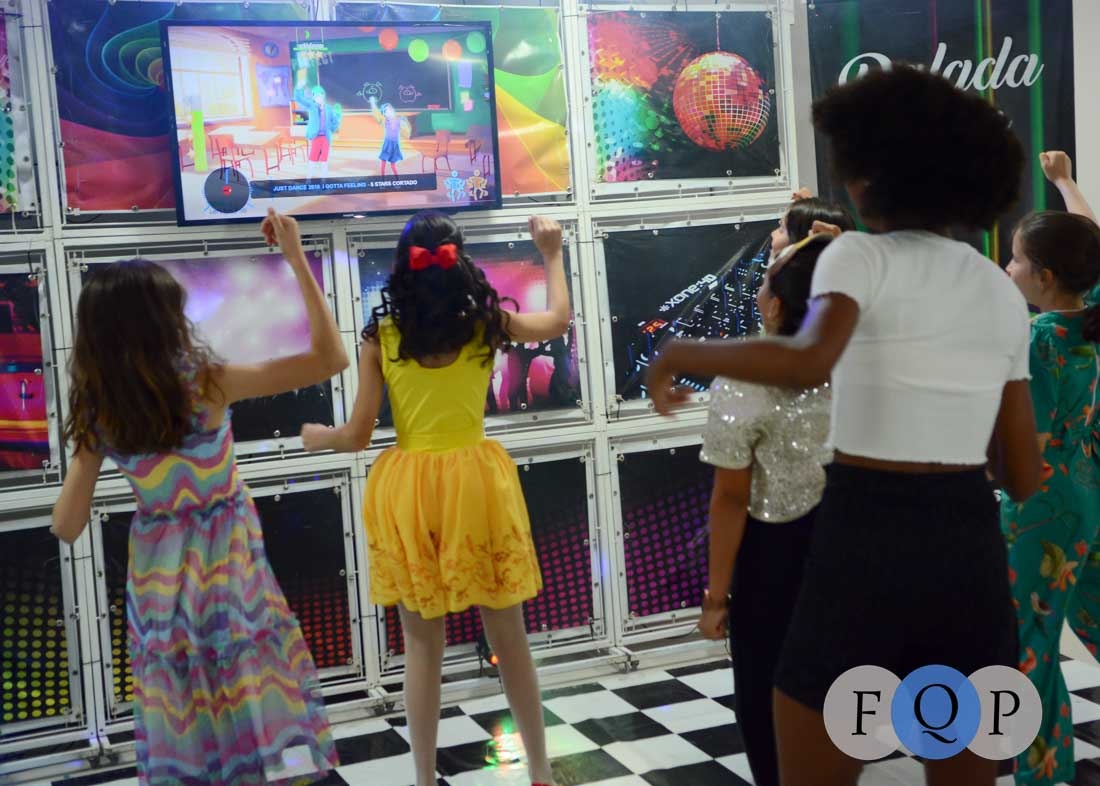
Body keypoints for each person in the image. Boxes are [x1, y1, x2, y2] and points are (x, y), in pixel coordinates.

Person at [646, 65, 1042, 786]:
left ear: (863, 178)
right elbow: (1019, 473)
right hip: (966, 547)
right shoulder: (995, 285)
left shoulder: (856, 254)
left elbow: (808, 358)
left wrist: (680, 352)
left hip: (863, 537)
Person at [50, 209, 348, 785]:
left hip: (160, 584)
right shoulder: (208, 382)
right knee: (250, 699)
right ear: (162, 322)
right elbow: (330, 359)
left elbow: (66, 524)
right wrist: (295, 259)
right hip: (228, 569)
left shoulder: (100, 410)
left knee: (185, 713)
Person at [299, 212, 571, 786]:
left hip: (410, 489)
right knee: (510, 638)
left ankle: (424, 778)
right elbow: (557, 321)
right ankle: (541, 770)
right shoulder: (486, 323)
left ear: (404, 268)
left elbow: (357, 434)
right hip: (477, 483)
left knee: (423, 647)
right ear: (459, 261)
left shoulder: (382, 336)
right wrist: (551, 252)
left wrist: (318, 437)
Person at [697, 231, 838, 786]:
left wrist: (716, 598)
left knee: (766, 698)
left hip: (772, 560)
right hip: (849, 552)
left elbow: (731, 498)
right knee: (839, 693)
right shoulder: (860, 367)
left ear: (776, 305)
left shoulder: (745, 377)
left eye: (764, 281)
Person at [1003, 151, 1100, 786]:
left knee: (1030, 648)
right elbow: (1091, 242)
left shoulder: (1040, 340)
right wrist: (1064, 182)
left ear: (1042, 276)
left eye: (1015, 259)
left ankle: (1042, 776)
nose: (1006, 268)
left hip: (1040, 509)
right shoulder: (1089, 319)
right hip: (1088, 495)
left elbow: (1026, 443)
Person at [295, 74, 342, 179]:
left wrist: (338, 115)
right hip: (315, 137)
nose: (318, 98)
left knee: (324, 161)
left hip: (326, 138)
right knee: (312, 159)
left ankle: (324, 180)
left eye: (320, 95)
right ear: (313, 97)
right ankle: (309, 178)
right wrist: (298, 88)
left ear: (323, 96)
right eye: (316, 96)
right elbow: (299, 99)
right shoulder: (311, 106)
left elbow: (334, 124)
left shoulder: (329, 108)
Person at [369, 96, 410, 176]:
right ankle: (383, 179)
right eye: (386, 111)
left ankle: (397, 179)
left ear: (393, 110)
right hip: (387, 144)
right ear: (384, 114)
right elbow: (377, 114)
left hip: (395, 145)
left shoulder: (399, 121)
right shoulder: (385, 121)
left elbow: (406, 133)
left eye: (390, 110)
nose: (389, 112)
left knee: (393, 164)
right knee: (383, 163)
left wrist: (405, 124)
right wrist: (373, 103)